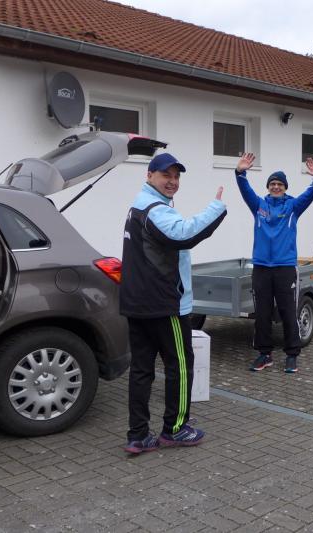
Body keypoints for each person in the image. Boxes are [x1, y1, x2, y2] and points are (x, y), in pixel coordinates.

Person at [120, 152, 227, 455]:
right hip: (163, 304)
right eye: (166, 175)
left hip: (137, 302)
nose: (172, 181)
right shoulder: (155, 210)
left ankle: (138, 436)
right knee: (179, 365)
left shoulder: (138, 205)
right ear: (149, 176)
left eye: (176, 176)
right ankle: (175, 429)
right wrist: (216, 208)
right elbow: (184, 235)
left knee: (141, 369)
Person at [235, 152, 313, 373]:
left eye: (280, 184)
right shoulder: (258, 205)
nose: (276, 187)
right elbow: (246, 191)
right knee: (262, 314)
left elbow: (309, 194)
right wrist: (240, 173)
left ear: (285, 188)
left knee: (288, 312)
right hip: (262, 268)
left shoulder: (293, 206)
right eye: (273, 184)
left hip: (285, 268)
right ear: (268, 187)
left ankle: (292, 354)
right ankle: (264, 355)